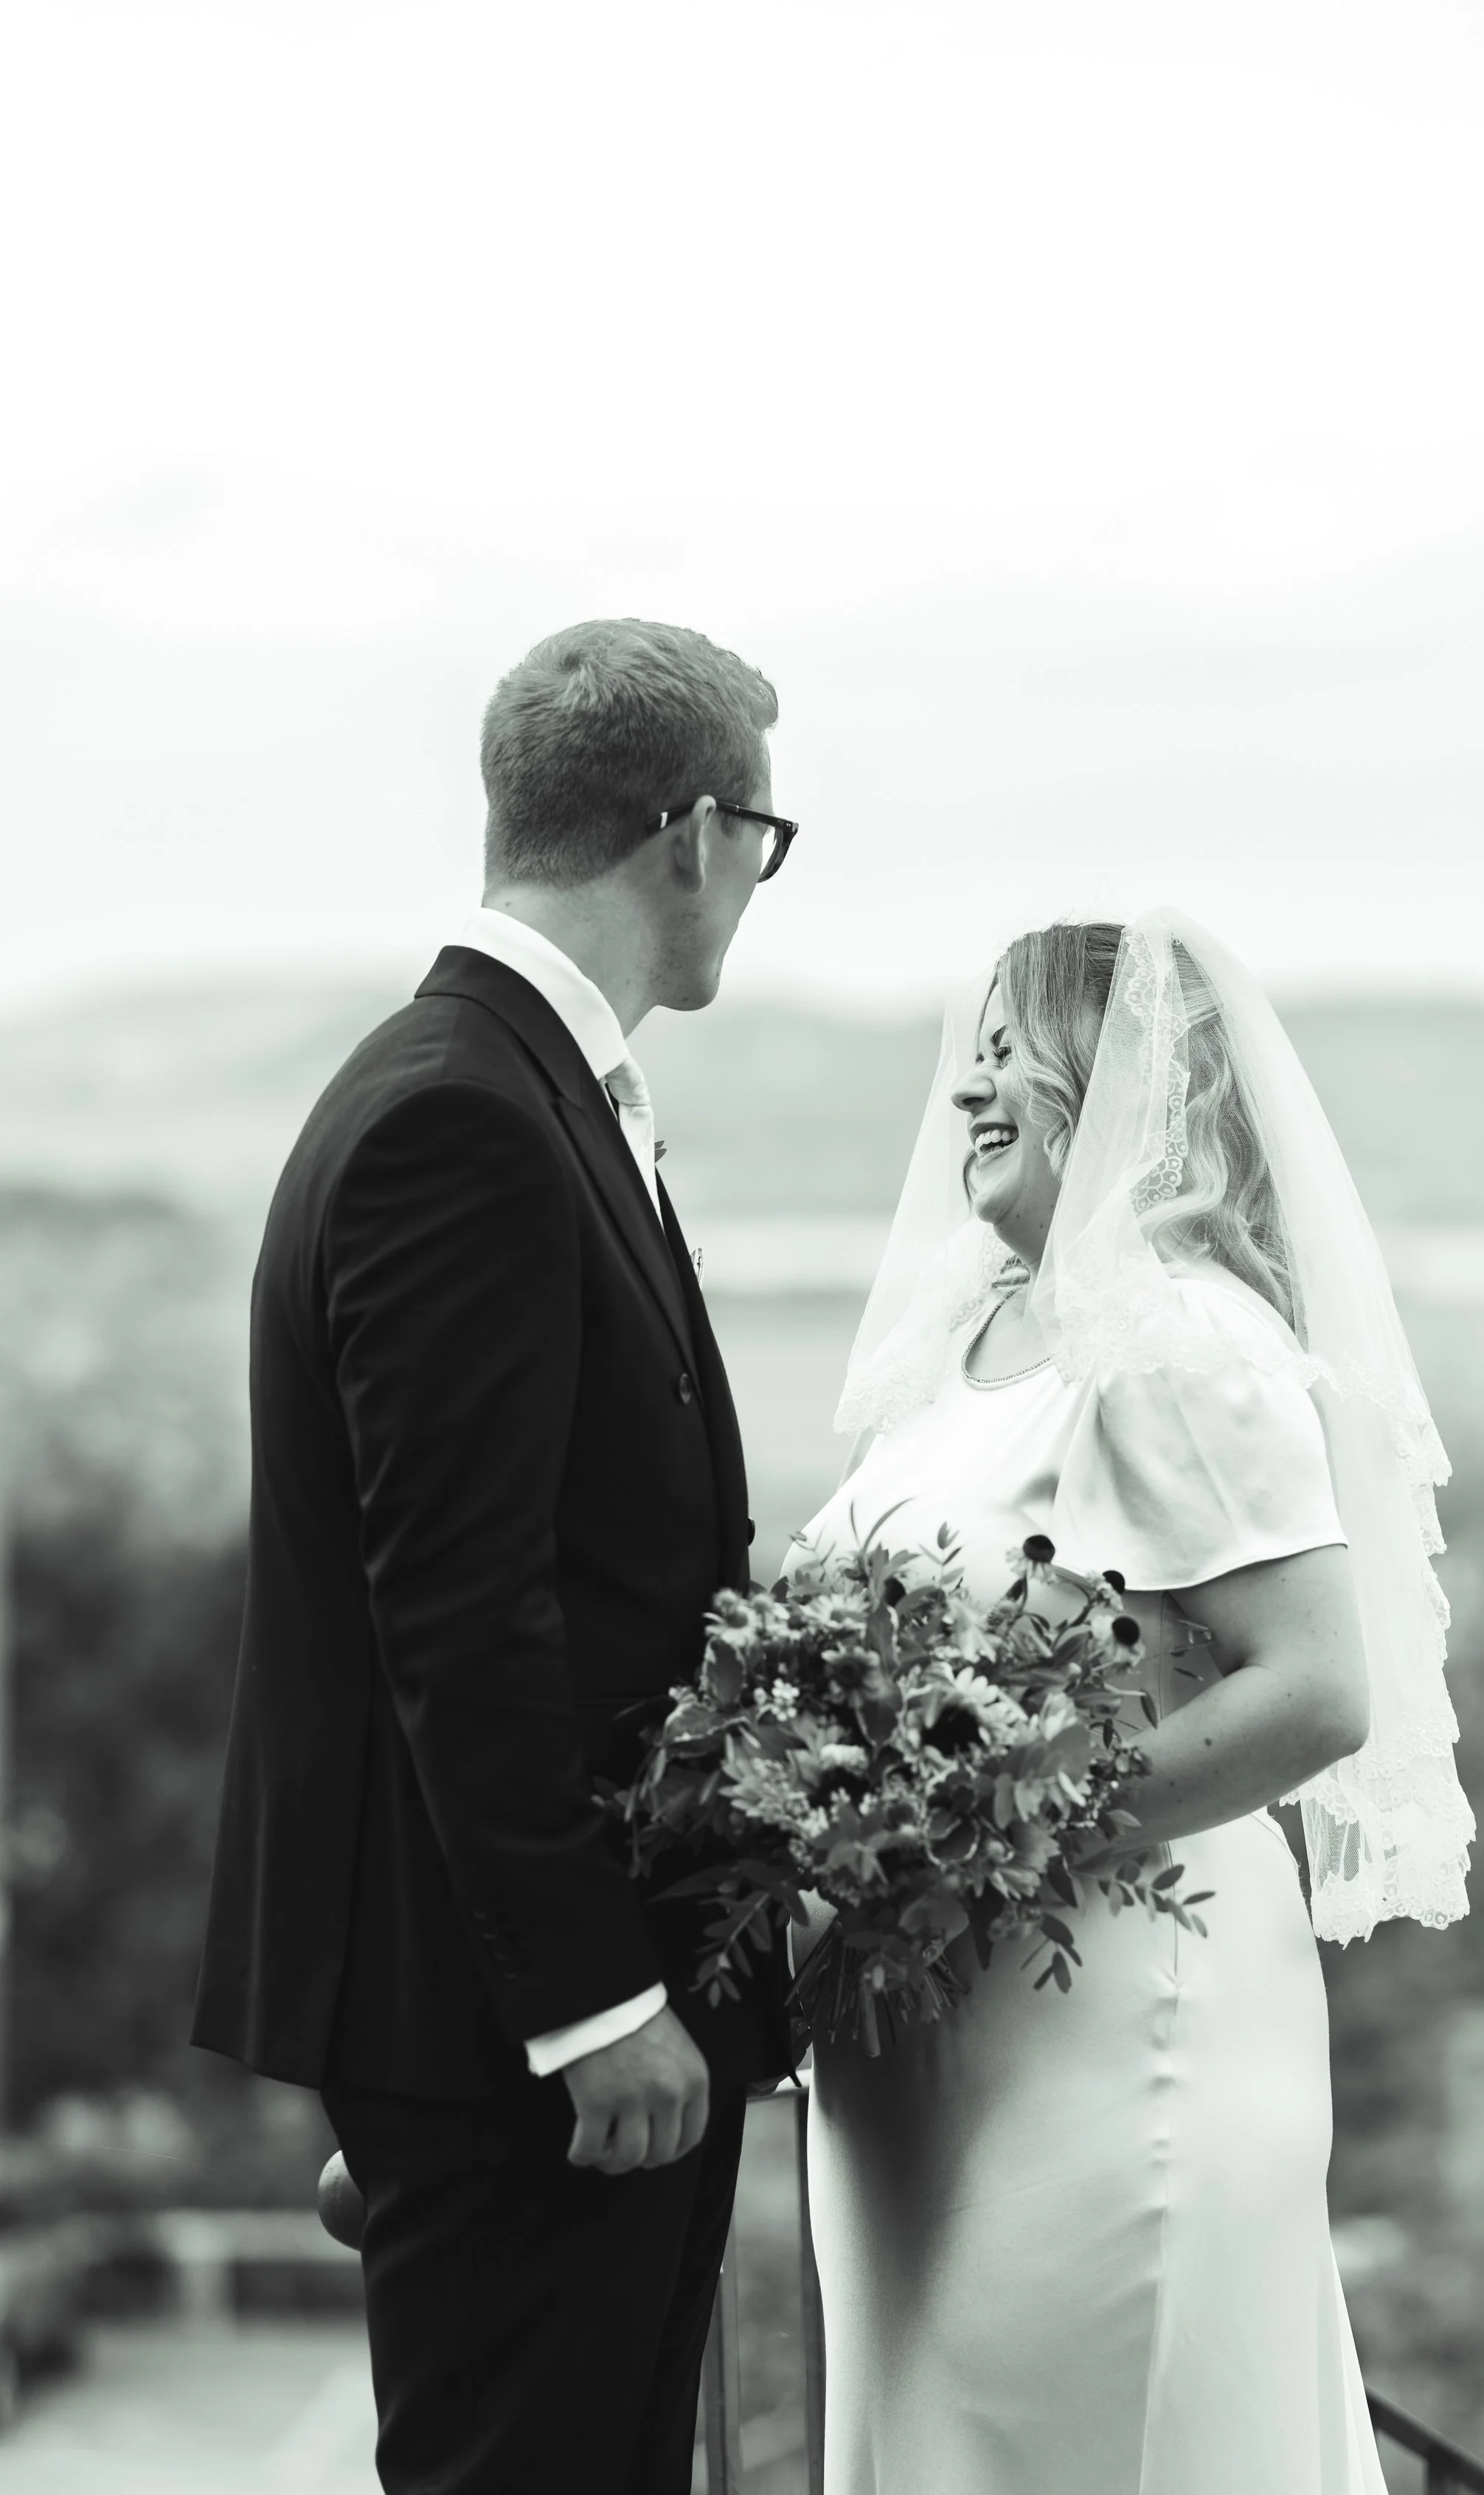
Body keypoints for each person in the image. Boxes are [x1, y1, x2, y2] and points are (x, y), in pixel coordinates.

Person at [192, 618, 798, 2494]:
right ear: (690, 832)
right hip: (525, 2033)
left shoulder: (500, 1076)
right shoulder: (463, 1114)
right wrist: (586, 2001)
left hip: (503, 2020)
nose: (749, 889)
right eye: (764, 841)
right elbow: (455, 1607)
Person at [796, 912, 1476, 2495]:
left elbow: (1312, 1688)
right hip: (920, 2039)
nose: (967, 1091)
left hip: (1113, 2037)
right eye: (964, 1055)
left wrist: (986, 1837)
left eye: (1010, 1054)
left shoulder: (1170, 1337)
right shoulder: (955, 1340)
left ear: (1123, 1084)